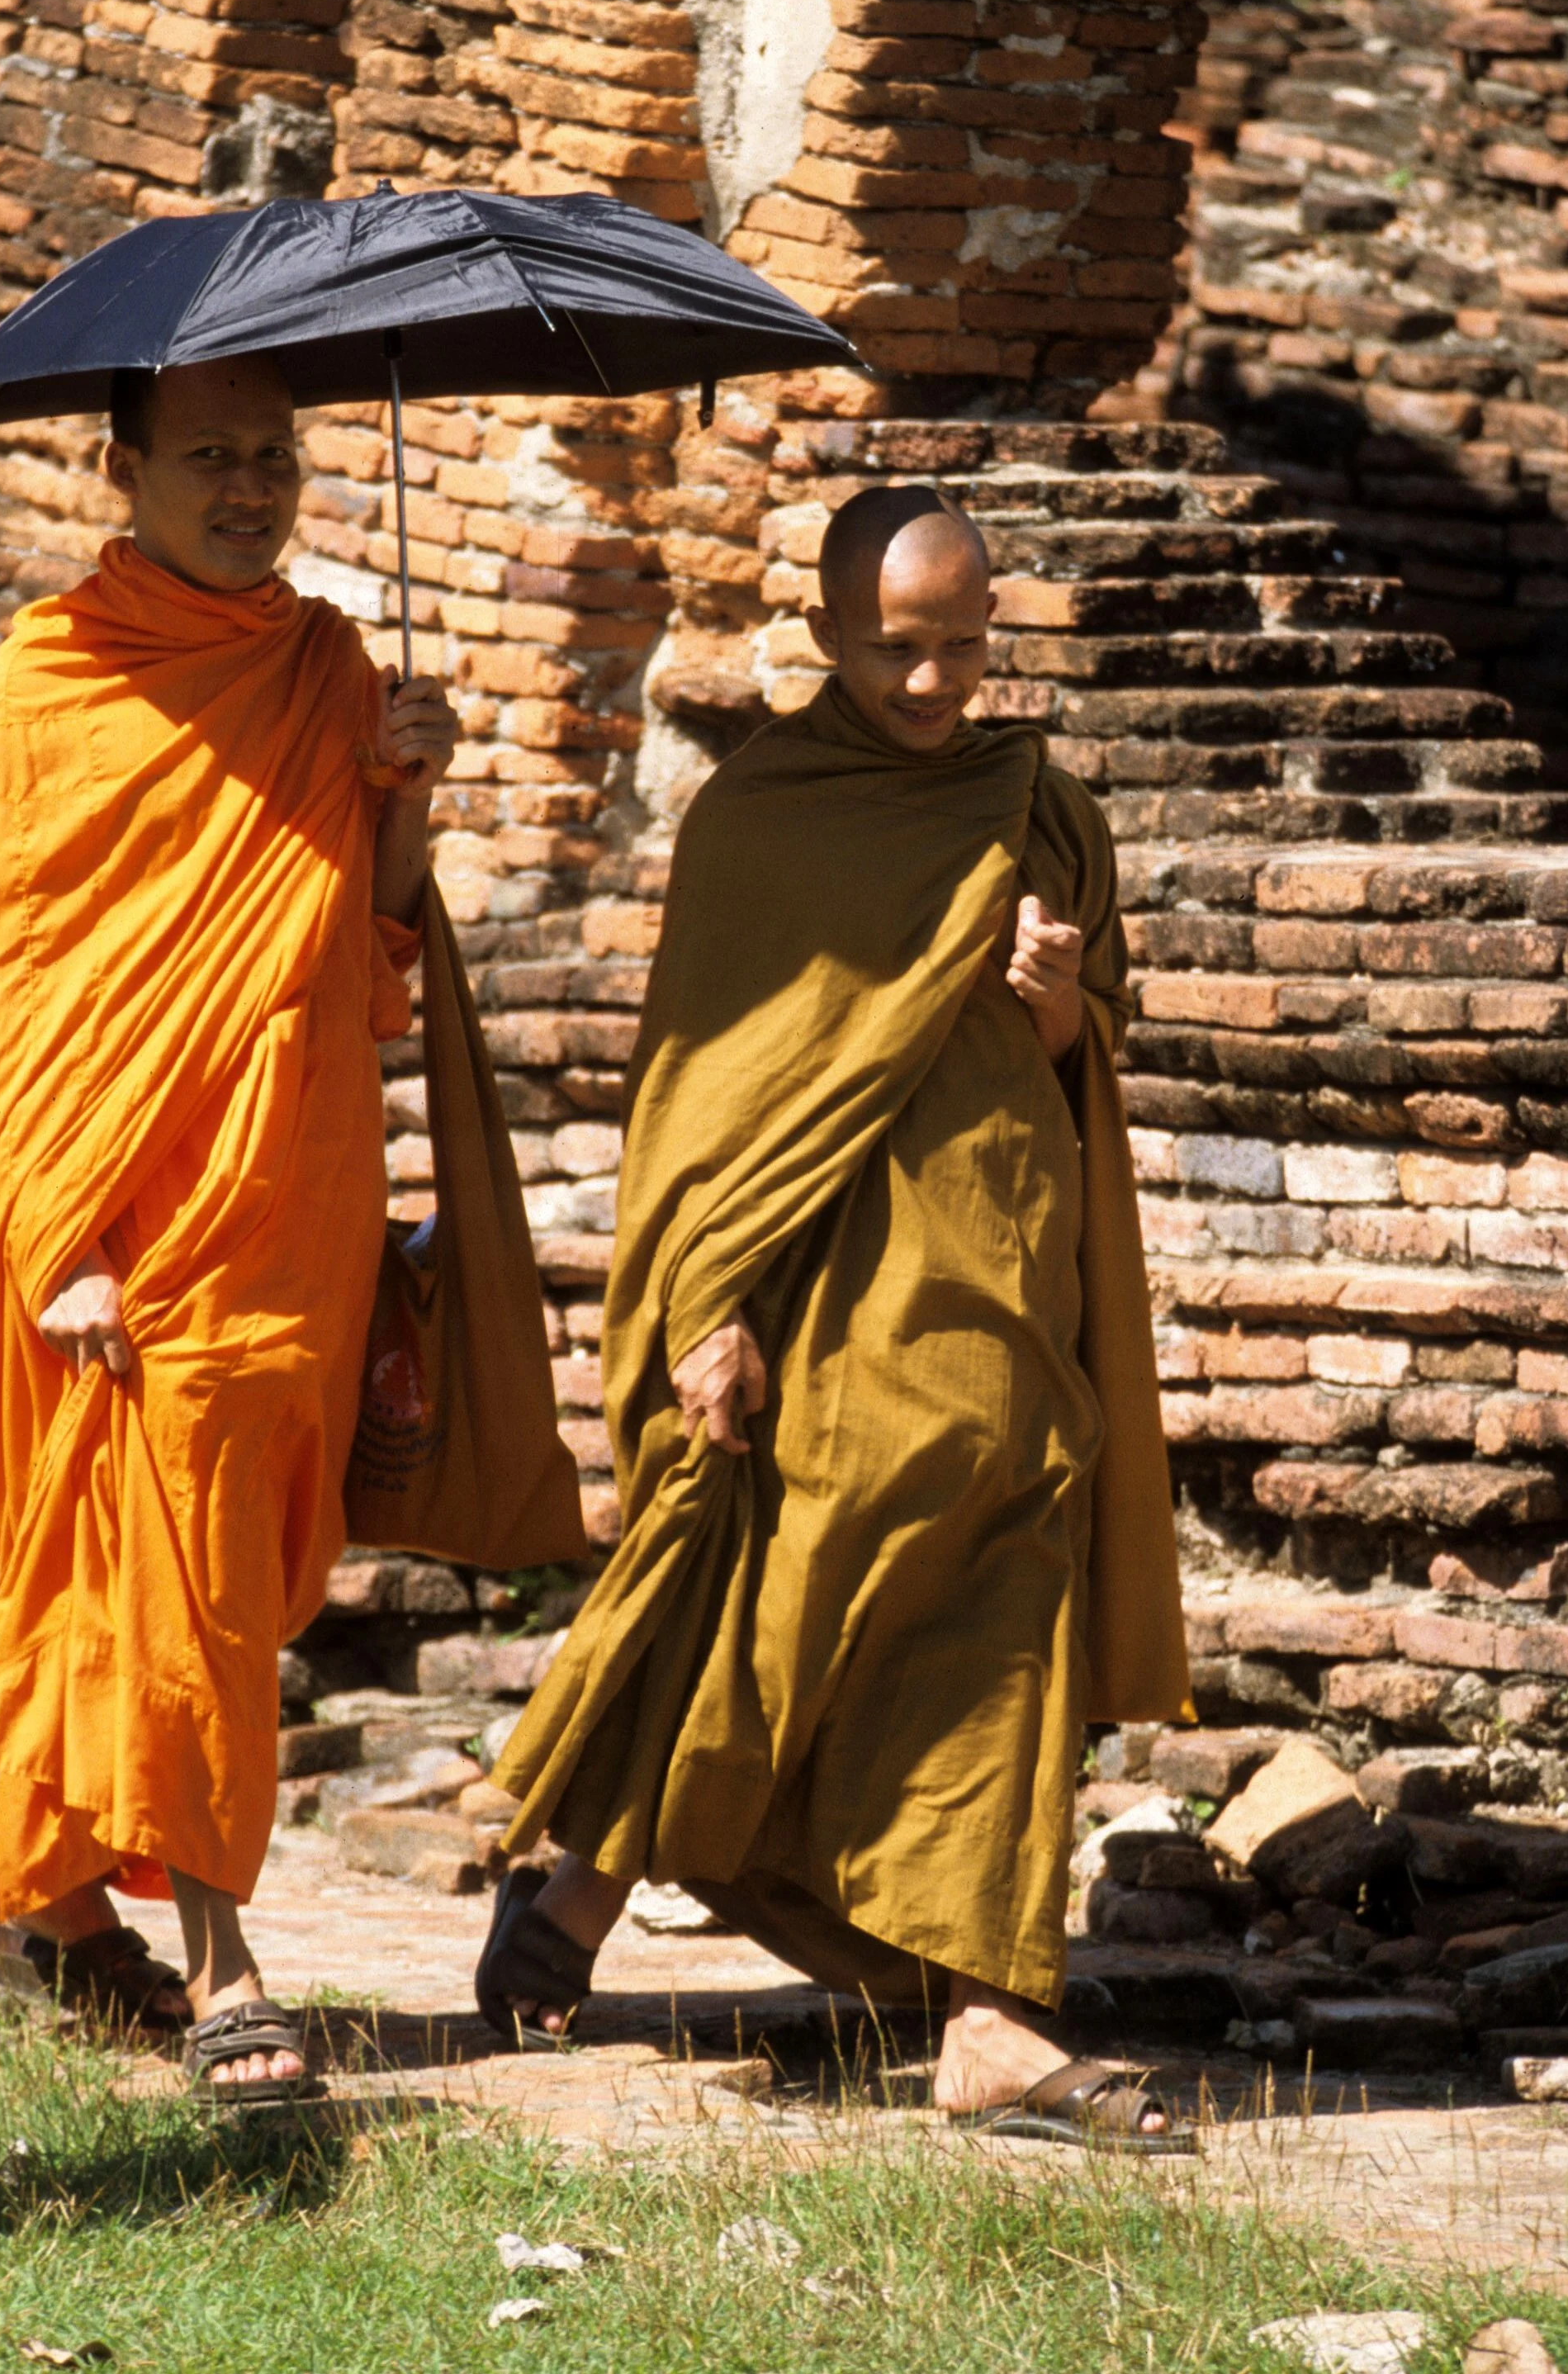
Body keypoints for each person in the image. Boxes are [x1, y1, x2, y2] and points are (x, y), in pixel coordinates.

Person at [479, 483, 1192, 2148]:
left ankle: (991, 2028)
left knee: (1002, 1606)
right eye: (896, 652)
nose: (933, 685)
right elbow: (708, 1102)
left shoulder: (1043, 807)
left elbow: (1094, 1049)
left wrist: (1062, 1007)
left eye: (960, 648)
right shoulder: (761, 817)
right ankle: (582, 1892)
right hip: (817, 1298)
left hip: (1003, 1282)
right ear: (818, 637)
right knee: (775, 1596)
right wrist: (699, 1310)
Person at [0, 353, 458, 2102]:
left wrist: (408, 790)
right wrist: (57, 1240)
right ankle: (227, 1970)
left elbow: (374, 949)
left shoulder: (326, 668)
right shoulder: (35, 698)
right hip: (126, 1227)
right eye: (213, 458)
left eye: (279, 459)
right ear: (121, 468)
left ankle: (64, 1921)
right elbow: (7, 1004)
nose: (253, 488)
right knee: (184, 1573)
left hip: (294, 1187)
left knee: (181, 1565)